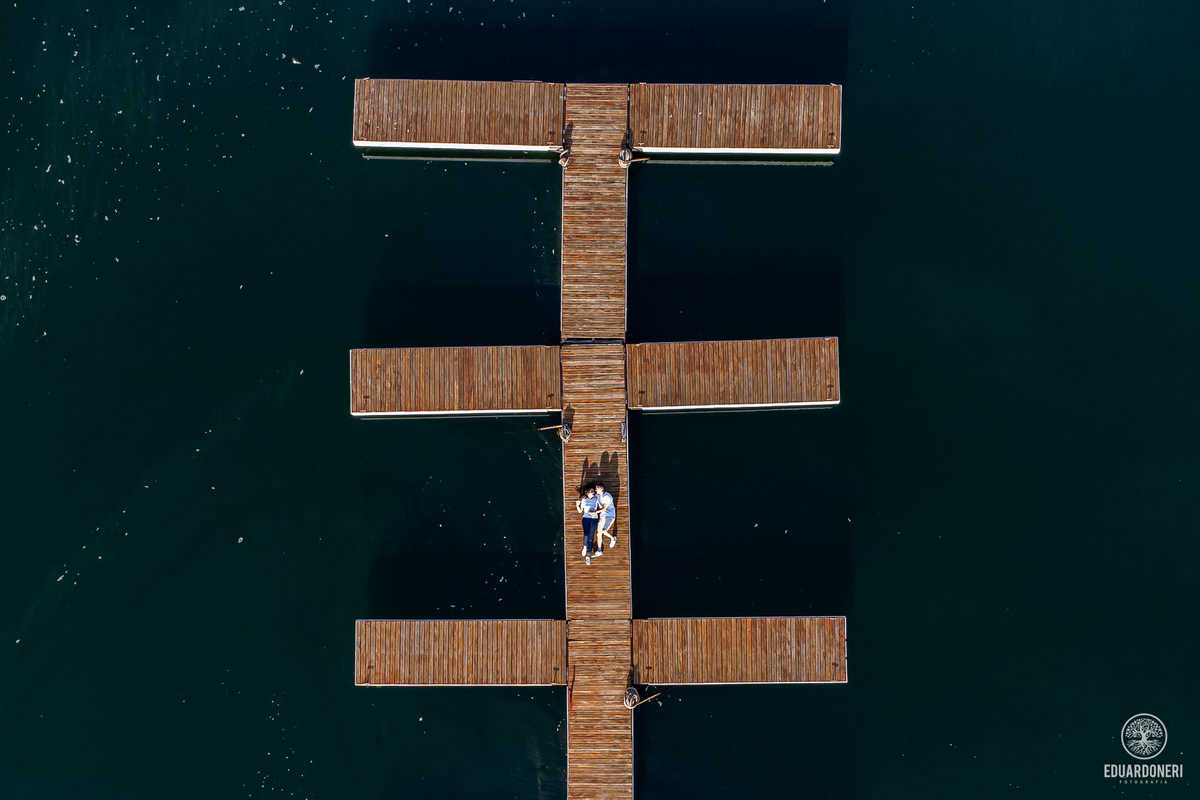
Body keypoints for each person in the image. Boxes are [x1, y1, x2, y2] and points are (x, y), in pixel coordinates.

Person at [575, 485, 599, 565]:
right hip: (585, 518)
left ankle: (588, 555)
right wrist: (577, 504)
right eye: (592, 492)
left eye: (593, 491)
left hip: (594, 519)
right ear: (588, 493)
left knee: (591, 537)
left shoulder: (596, 498)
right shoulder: (584, 500)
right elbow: (580, 511)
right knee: (586, 535)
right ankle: (585, 547)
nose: (593, 493)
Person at [594, 482, 617, 551]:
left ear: (601, 488)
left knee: (604, 530)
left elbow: (604, 509)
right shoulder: (598, 495)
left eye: (596, 489)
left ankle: (613, 538)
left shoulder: (607, 496)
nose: (595, 490)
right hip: (603, 515)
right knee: (599, 533)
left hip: (610, 515)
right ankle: (599, 550)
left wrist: (594, 512)